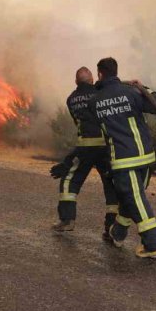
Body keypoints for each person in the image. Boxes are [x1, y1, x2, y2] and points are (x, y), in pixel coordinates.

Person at [91, 57, 156, 259]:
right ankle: (118, 232)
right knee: (131, 198)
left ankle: (152, 245)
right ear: (116, 72)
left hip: (124, 160)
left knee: (135, 199)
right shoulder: (131, 92)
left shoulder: (95, 100)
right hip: (146, 157)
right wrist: (143, 87)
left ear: (99, 74)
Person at [49, 67, 120, 239]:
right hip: (105, 147)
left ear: (76, 82)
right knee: (111, 186)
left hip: (85, 148)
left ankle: (66, 220)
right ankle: (111, 227)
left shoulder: (71, 99)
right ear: (92, 80)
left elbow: (78, 121)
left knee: (69, 181)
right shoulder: (101, 93)